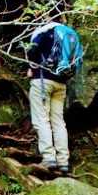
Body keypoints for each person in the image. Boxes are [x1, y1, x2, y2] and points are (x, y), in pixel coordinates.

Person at [25, 19, 81, 174]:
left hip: (42, 81)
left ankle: (49, 157)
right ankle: (63, 161)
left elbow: (32, 50)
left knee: (41, 119)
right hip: (61, 84)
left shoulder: (45, 30)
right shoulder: (69, 33)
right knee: (58, 121)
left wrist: (31, 67)